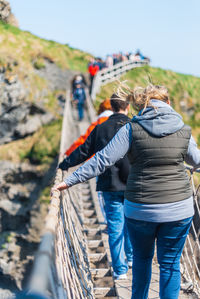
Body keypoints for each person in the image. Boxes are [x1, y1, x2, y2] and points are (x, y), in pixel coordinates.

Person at [52, 84, 200, 298]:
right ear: (168, 103)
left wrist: (70, 180)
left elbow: (103, 160)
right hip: (178, 209)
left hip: (141, 209)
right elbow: (196, 160)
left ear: (142, 106)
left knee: (141, 260)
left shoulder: (131, 129)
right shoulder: (184, 130)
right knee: (170, 264)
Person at [58, 94, 133, 280]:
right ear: (128, 107)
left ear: (112, 107)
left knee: (115, 226)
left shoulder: (101, 128)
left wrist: (65, 164)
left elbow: (84, 151)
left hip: (110, 184)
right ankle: (131, 258)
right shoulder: (136, 126)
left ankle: (120, 270)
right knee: (132, 224)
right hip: (134, 183)